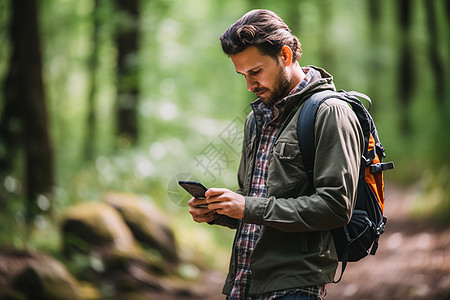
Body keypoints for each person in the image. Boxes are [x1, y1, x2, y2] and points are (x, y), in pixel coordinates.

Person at [188, 9, 363, 300]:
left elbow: (335, 207)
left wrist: (248, 206)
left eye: (255, 71)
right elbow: (255, 199)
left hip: (295, 286)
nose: (249, 85)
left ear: (285, 54)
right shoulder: (256, 119)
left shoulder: (330, 112)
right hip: (244, 282)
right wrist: (218, 211)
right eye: (242, 75)